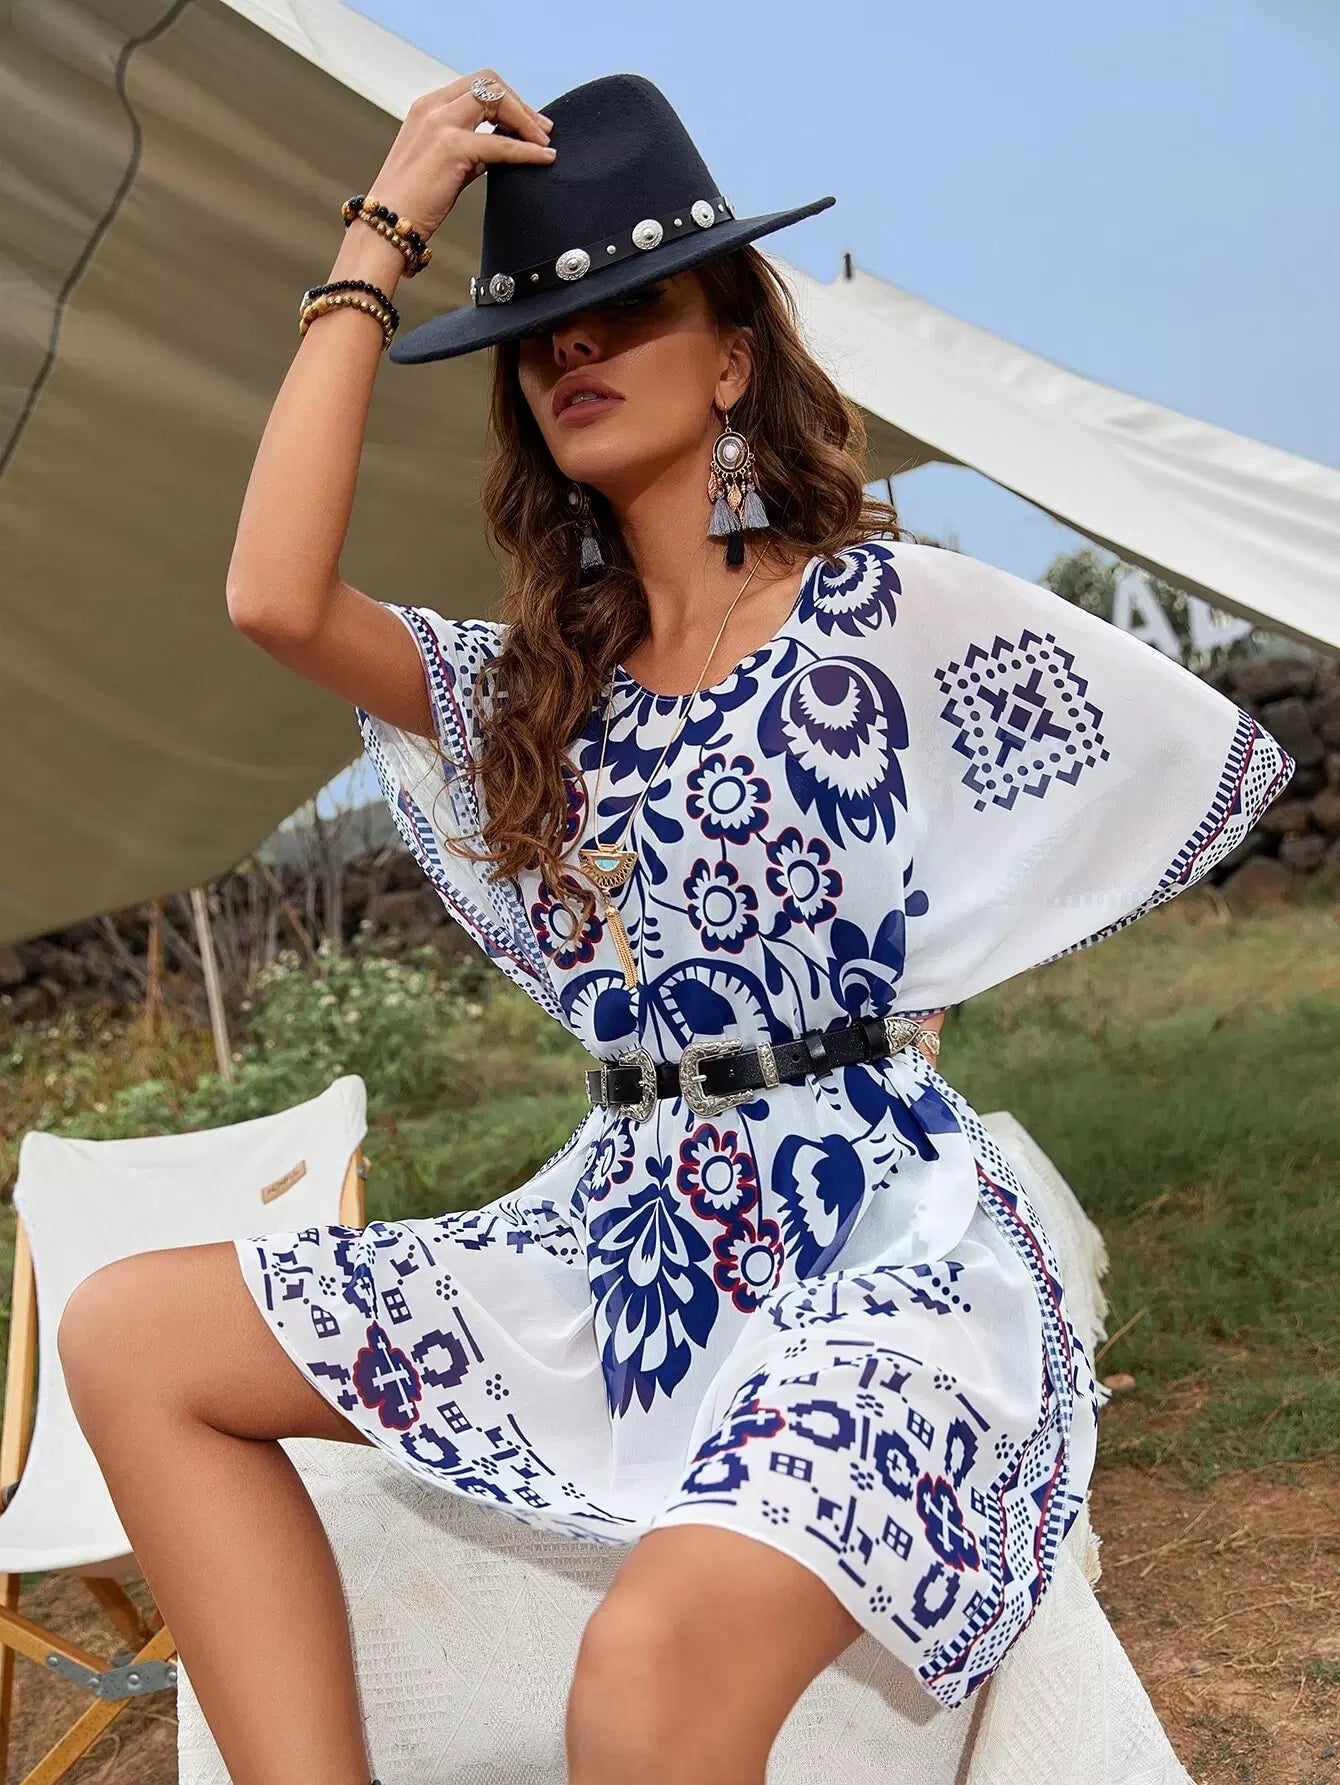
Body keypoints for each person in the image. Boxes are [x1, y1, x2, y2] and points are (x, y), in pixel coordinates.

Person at [58, 70, 1293, 1785]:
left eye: (628, 308)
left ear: (731, 356)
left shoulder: (882, 607)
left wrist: (919, 976)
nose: (572, 347)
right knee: (127, 1330)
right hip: (622, 1242)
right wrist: (380, 239)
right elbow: (273, 594)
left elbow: (1176, 763)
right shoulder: (535, 693)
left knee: (644, 1674)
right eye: (537, 333)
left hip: (873, 1241)